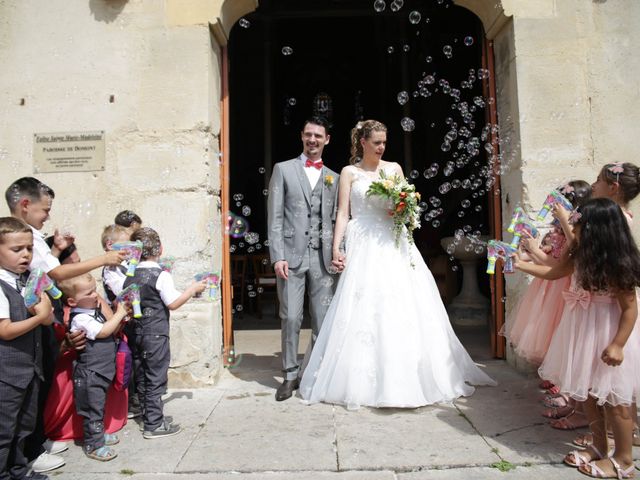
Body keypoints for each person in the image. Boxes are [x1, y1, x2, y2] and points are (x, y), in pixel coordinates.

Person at [299, 120, 496, 410]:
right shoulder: (349, 173)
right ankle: (361, 380)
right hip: (363, 241)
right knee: (363, 306)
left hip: (393, 243)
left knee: (400, 304)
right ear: (363, 142)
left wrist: (401, 208)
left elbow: (408, 207)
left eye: (384, 142)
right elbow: (343, 213)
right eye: (376, 142)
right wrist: (335, 247)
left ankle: (408, 377)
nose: (381, 147)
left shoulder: (394, 170)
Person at [4, 177, 125, 473]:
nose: (48, 216)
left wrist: (57, 250)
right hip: (29, 325)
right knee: (28, 391)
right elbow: (56, 274)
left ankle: (33, 444)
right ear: (25, 205)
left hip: (40, 316)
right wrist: (104, 259)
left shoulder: (30, 236)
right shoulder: (25, 236)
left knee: (36, 384)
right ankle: (29, 451)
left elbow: (46, 267)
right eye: (45, 209)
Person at [515, 198, 640, 478]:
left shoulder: (617, 262)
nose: (573, 228)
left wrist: (618, 344)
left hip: (607, 332)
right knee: (589, 395)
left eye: (578, 224)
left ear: (598, 230)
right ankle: (598, 447)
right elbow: (555, 271)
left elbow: (630, 309)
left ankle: (624, 459)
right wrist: (520, 265)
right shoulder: (581, 253)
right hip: (582, 330)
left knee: (615, 398)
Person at [502, 181, 591, 421]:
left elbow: (558, 265)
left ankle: (568, 393)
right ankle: (560, 386)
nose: (553, 208)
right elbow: (547, 258)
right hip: (549, 286)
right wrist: (528, 250)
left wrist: (535, 253)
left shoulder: (576, 231)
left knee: (562, 340)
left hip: (563, 288)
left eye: (559, 204)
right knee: (554, 339)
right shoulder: (557, 228)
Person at [267, 116, 341, 401]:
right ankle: (289, 374)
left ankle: (316, 373)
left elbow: (337, 219)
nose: (313, 140)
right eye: (308, 134)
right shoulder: (283, 170)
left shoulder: (334, 176)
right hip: (291, 257)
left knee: (323, 319)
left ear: (326, 140)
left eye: (318, 136)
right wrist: (277, 257)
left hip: (323, 260)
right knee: (292, 317)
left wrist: (338, 252)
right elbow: (274, 217)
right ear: (301, 136)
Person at [122, 227, 206, 438]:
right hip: (156, 334)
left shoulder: (130, 274)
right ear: (160, 249)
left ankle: (147, 416)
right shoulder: (161, 275)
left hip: (136, 332)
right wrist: (191, 290)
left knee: (141, 375)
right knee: (156, 376)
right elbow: (173, 303)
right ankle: (154, 424)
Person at [0, 217, 53, 480]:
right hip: (7, 373)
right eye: (16, 249)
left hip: (30, 368)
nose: (25, 254)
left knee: (24, 425)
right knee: (4, 430)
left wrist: (45, 311)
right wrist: (38, 317)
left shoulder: (25, 280)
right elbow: (5, 330)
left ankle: (19, 471)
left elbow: (48, 313)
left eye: (29, 248)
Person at [57, 274, 127, 461]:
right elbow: (103, 331)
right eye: (89, 293)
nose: (95, 295)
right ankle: (94, 445)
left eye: (95, 290)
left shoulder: (90, 311)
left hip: (100, 370)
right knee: (92, 410)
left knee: (98, 406)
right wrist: (119, 313)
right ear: (72, 301)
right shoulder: (80, 318)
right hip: (90, 372)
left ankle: (98, 434)